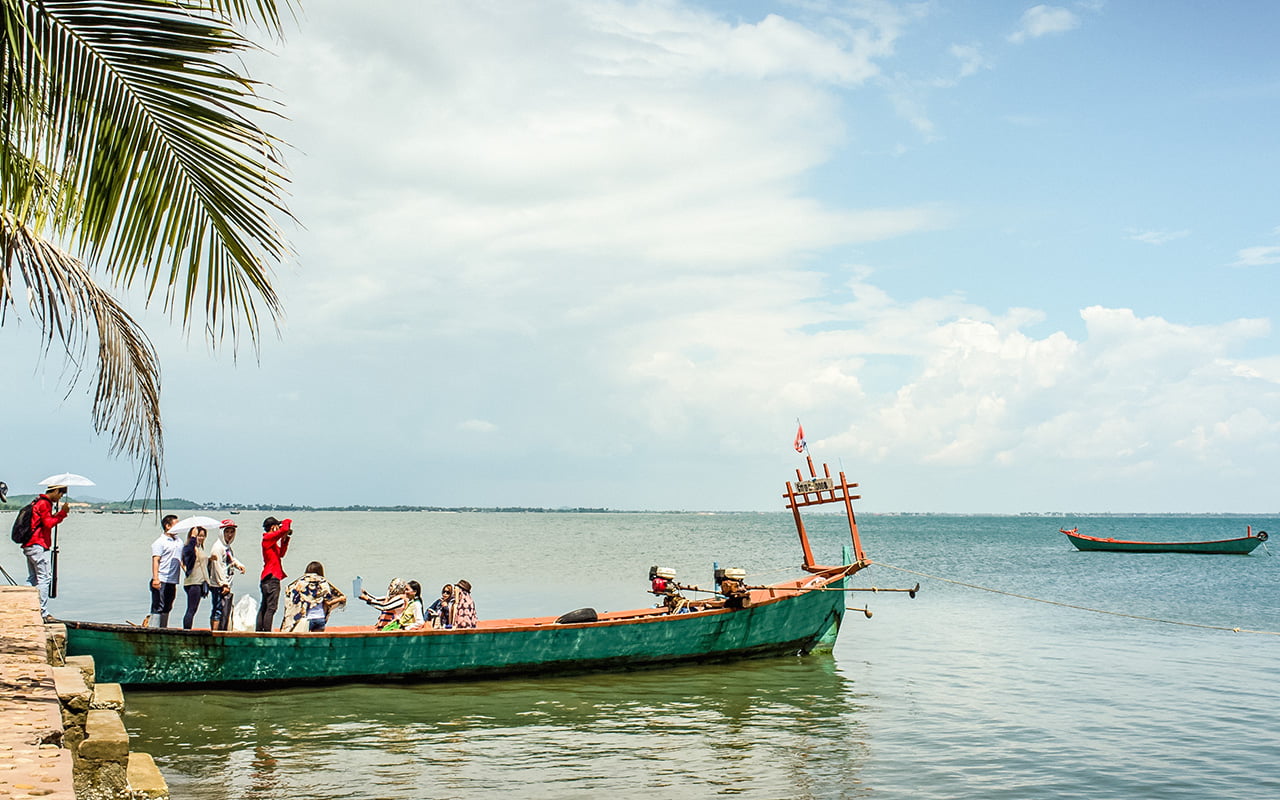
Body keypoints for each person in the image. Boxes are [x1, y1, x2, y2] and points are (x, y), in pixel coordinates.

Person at [23, 483, 69, 620]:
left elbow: (44, 521)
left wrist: (58, 514)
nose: (60, 497)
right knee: (44, 578)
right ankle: (42, 613)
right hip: (38, 545)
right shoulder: (44, 503)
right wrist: (62, 513)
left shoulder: (37, 501)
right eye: (60, 493)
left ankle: (26, 605)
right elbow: (48, 523)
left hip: (31, 545)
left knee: (32, 578)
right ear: (55, 490)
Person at [280, 562, 347, 632]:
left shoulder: (300, 582)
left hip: (306, 619)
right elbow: (328, 602)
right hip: (320, 617)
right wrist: (340, 599)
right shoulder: (323, 582)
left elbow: (291, 597)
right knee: (318, 642)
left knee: (305, 641)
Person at [207, 519, 247, 631]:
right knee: (218, 609)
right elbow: (217, 567)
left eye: (232, 532)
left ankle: (222, 629)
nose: (229, 535)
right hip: (218, 585)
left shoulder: (226, 547)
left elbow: (230, 559)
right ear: (222, 532)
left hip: (226, 582)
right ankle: (214, 633)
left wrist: (238, 565)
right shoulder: (218, 547)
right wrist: (223, 584)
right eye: (227, 532)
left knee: (224, 609)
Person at [256, 516, 292, 632]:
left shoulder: (271, 542)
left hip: (268, 577)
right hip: (272, 577)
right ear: (273, 527)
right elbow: (285, 527)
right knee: (271, 607)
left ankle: (260, 631)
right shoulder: (267, 538)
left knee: (265, 606)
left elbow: (281, 554)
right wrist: (284, 522)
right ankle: (266, 632)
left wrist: (285, 539)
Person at [147, 514, 183, 627]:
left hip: (172, 579)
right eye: (176, 524)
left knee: (168, 606)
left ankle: (163, 628)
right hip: (161, 578)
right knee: (158, 606)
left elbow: (181, 558)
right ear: (167, 526)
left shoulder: (179, 541)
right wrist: (155, 579)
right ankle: (154, 630)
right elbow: (156, 560)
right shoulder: (160, 542)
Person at [180, 527, 210, 629]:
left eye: (203, 536)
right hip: (193, 583)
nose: (201, 538)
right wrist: (193, 537)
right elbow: (189, 554)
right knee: (191, 609)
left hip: (200, 583)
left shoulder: (199, 548)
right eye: (199, 535)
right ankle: (187, 631)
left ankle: (188, 629)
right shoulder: (189, 548)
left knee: (194, 609)